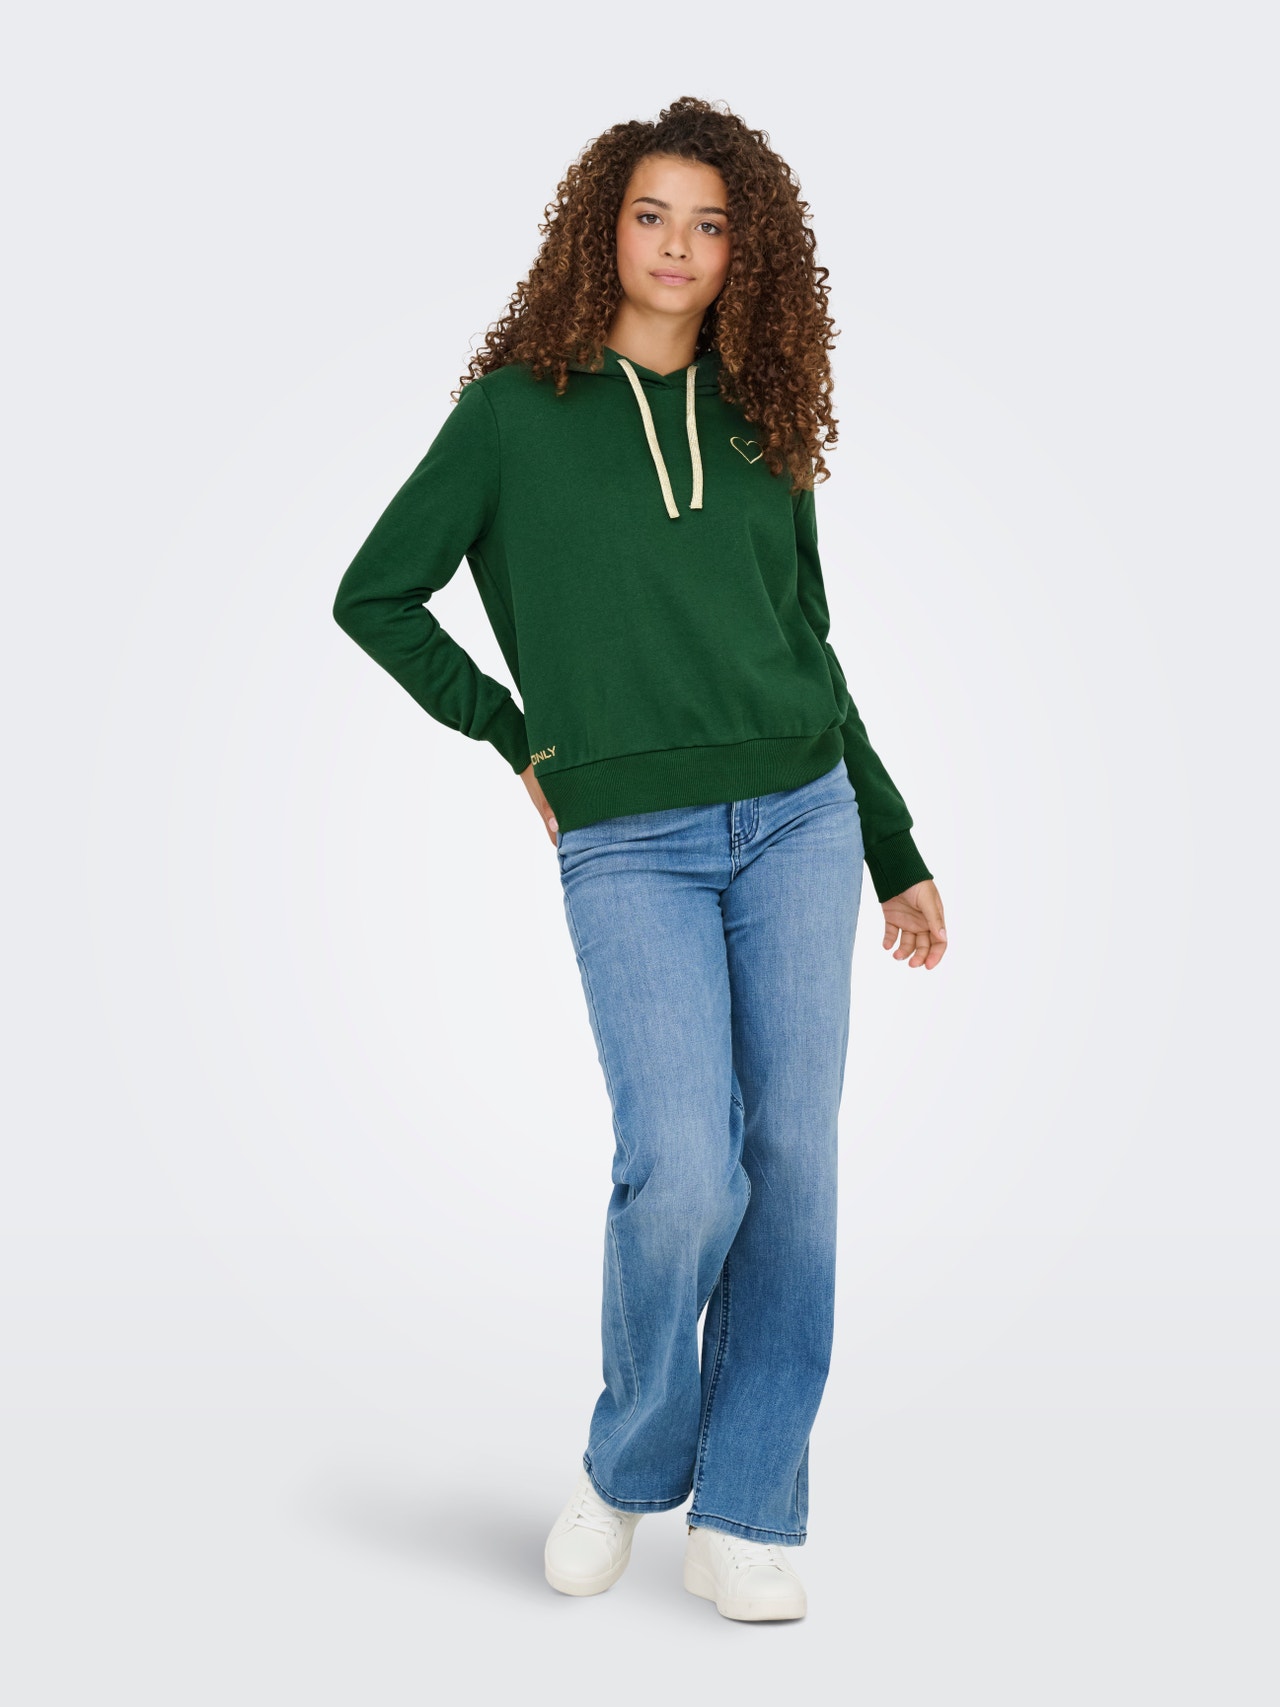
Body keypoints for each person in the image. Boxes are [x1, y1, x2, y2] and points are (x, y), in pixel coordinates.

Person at [332, 95, 948, 1624]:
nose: (678, 246)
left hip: (799, 818)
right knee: (682, 1168)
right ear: (603, 228)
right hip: (629, 842)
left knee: (791, 1164)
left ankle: (747, 1510)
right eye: (652, 214)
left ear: (749, 252)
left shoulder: (763, 417)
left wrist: (891, 845)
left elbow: (808, 650)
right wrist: (513, 732)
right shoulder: (511, 416)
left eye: (711, 224)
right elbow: (376, 594)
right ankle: (626, 1465)